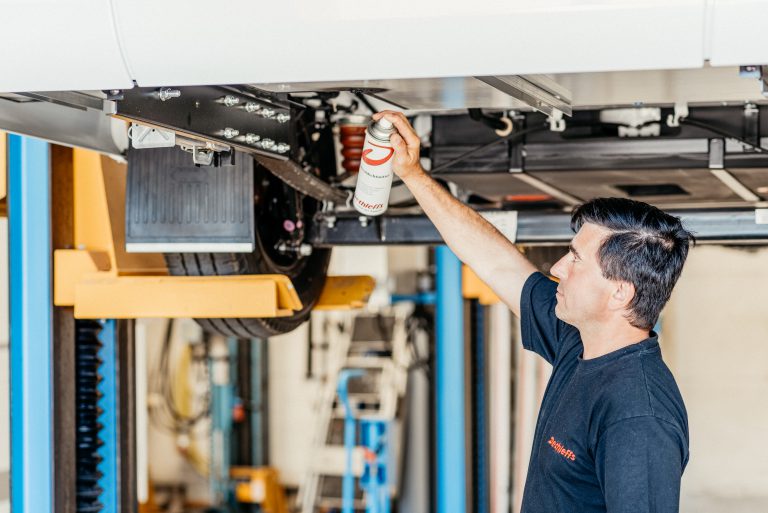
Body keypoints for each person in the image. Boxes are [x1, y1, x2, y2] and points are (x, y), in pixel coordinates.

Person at [373, 110, 693, 513]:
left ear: (619, 292)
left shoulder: (637, 415)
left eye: (575, 260)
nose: (558, 268)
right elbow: (497, 262)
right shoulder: (577, 341)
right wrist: (414, 175)